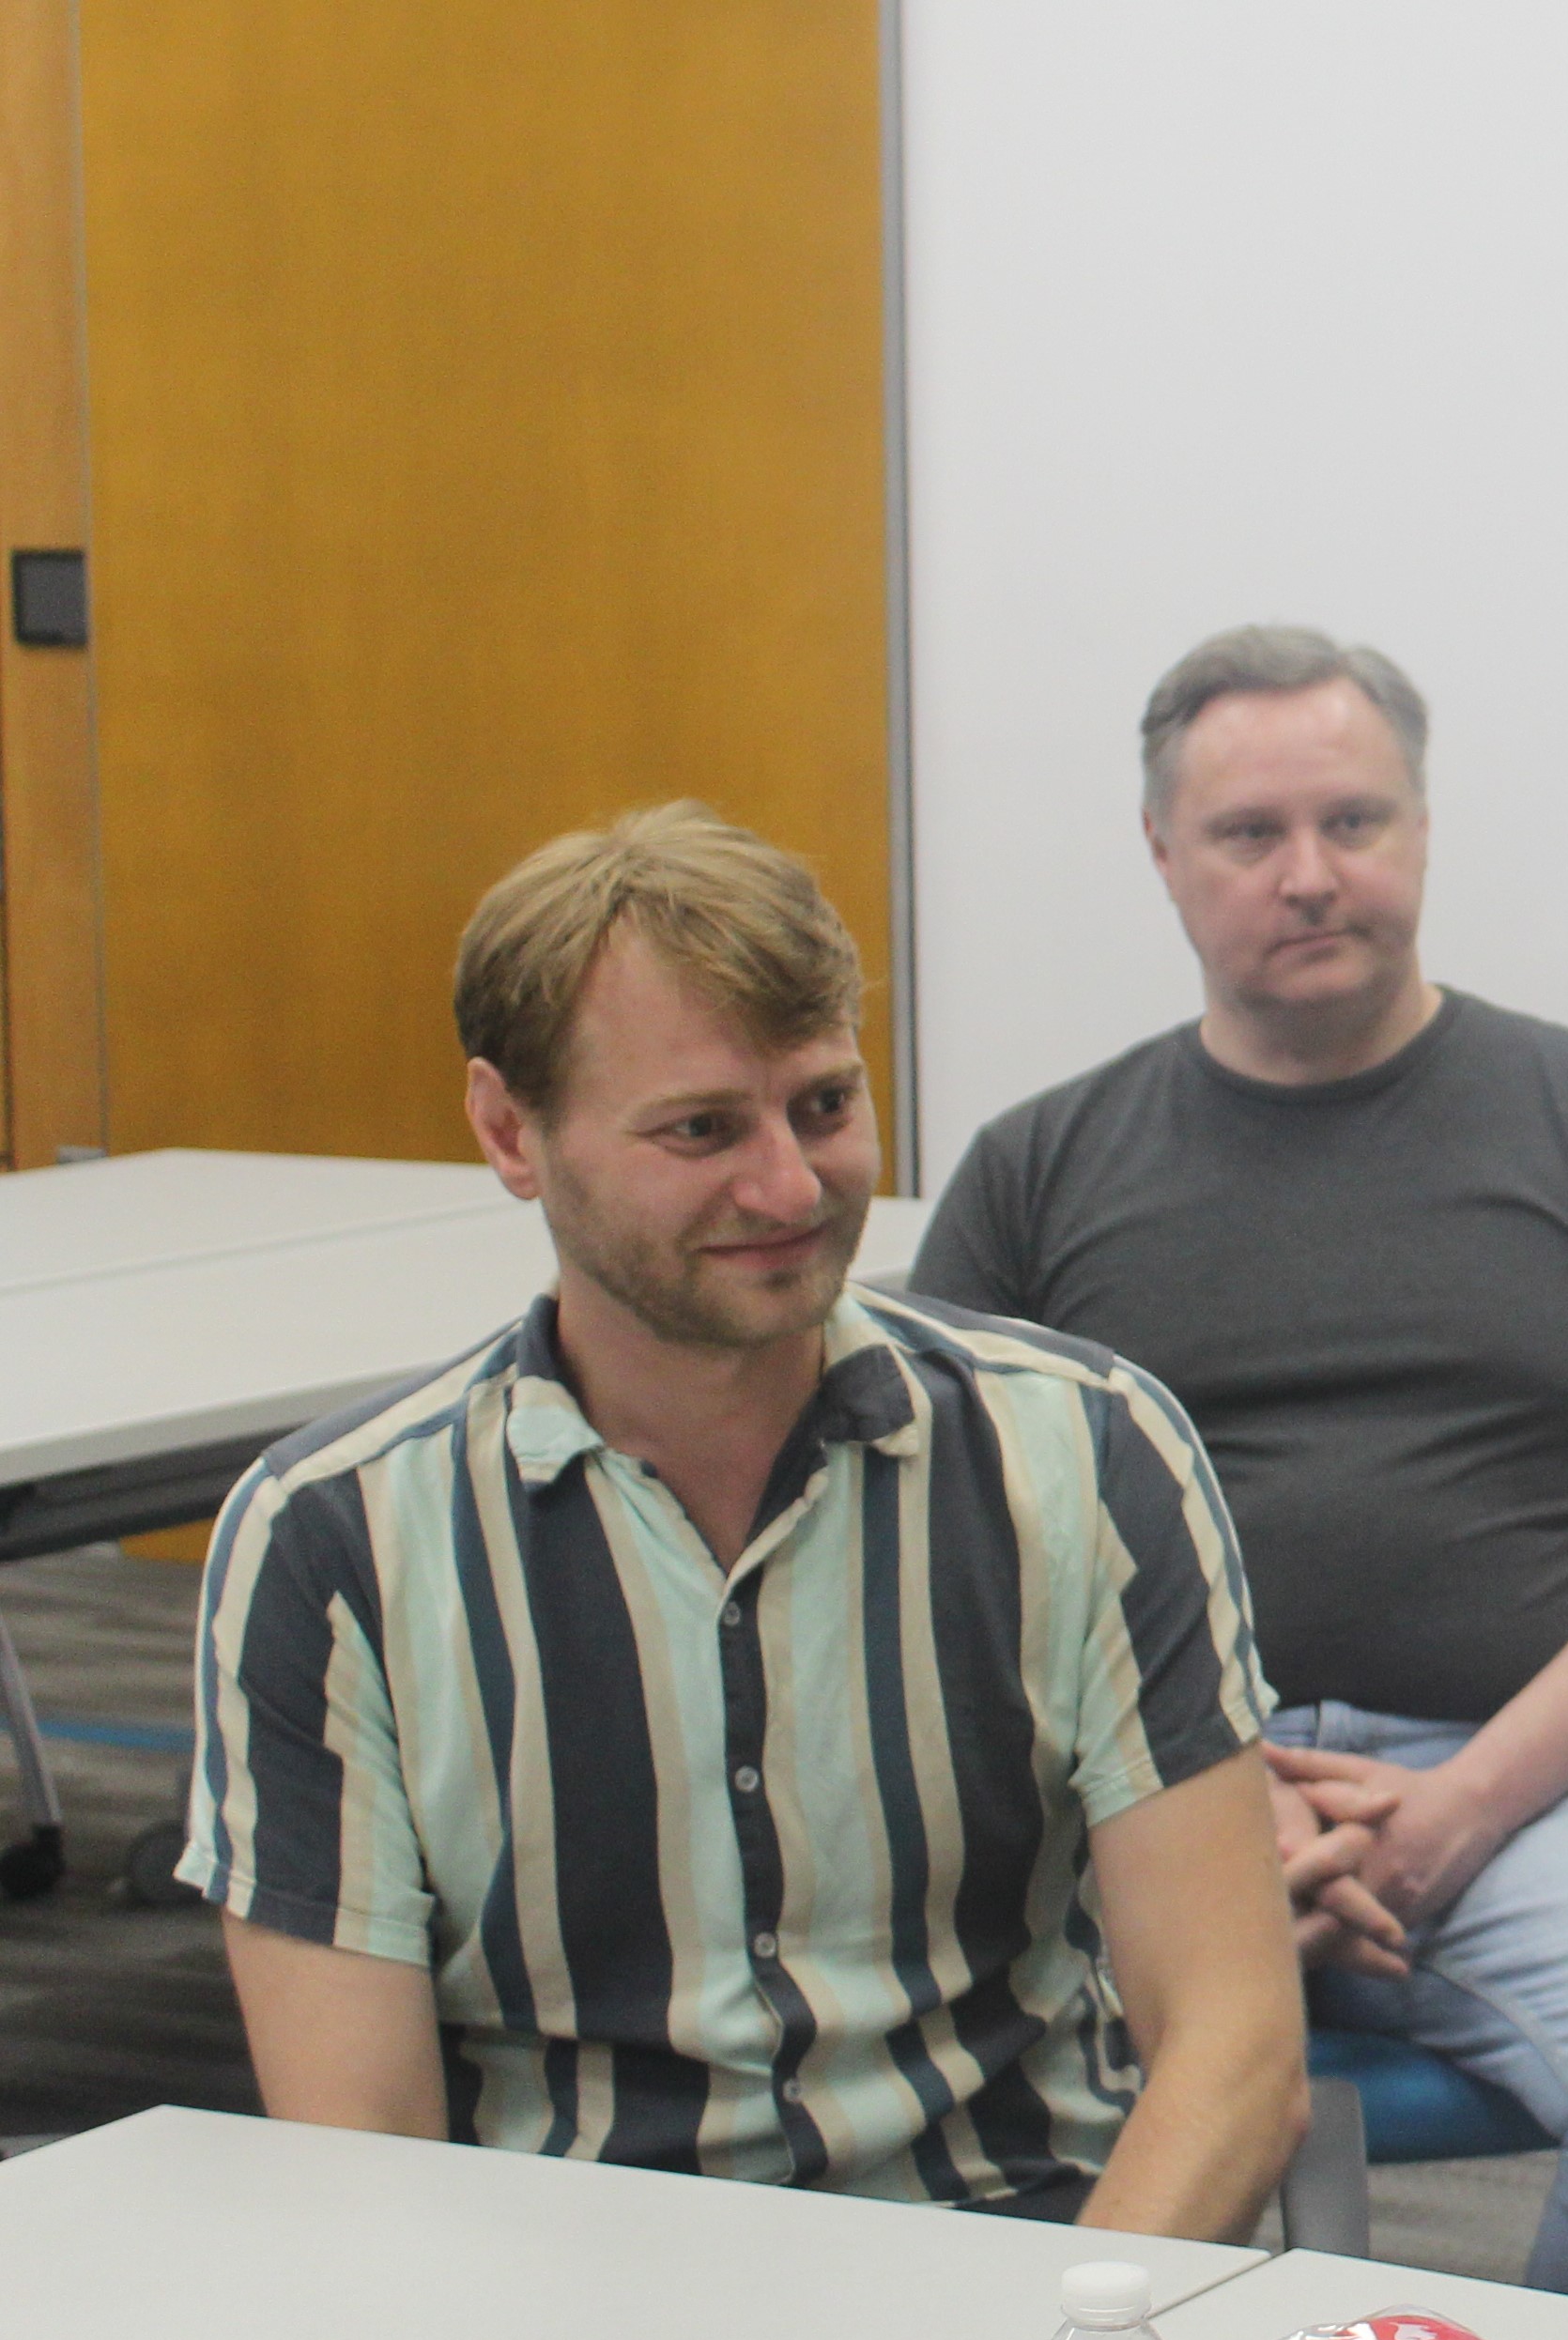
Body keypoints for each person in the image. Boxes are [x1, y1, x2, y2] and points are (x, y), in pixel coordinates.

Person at [183, 804, 1306, 2237]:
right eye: (702, 1130)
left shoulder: (1083, 1451)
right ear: (507, 1132)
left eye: (824, 1106)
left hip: (1019, 2263)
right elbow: (364, 2157)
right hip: (568, 2316)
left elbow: (1236, 2051)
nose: (788, 1187)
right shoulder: (332, 1544)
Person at [911, 623, 1568, 2283]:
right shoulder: (1039, 1171)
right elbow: (929, 1569)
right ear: (1165, 860)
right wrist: (1206, 1806)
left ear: (1421, 829)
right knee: (903, 2075)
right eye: (1250, 836)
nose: (1310, 875)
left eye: (1355, 822)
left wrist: (1451, 1812)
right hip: (1133, 1794)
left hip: (1522, 1775)